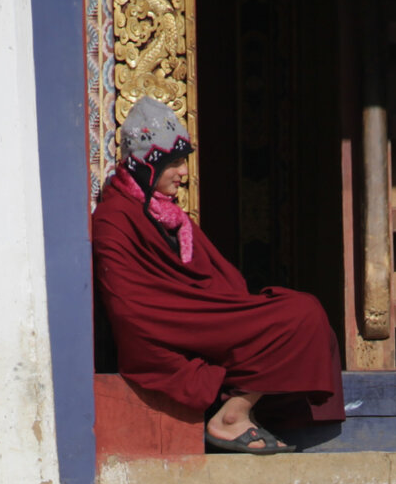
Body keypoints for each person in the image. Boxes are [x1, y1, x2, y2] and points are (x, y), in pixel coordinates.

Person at [90, 97, 343, 454]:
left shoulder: (171, 216)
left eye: (184, 162)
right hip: (164, 330)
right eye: (175, 162)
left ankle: (237, 411)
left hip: (200, 321)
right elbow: (129, 303)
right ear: (148, 164)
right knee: (300, 315)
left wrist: (231, 314)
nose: (183, 173)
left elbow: (221, 285)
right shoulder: (114, 218)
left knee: (299, 312)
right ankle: (230, 419)